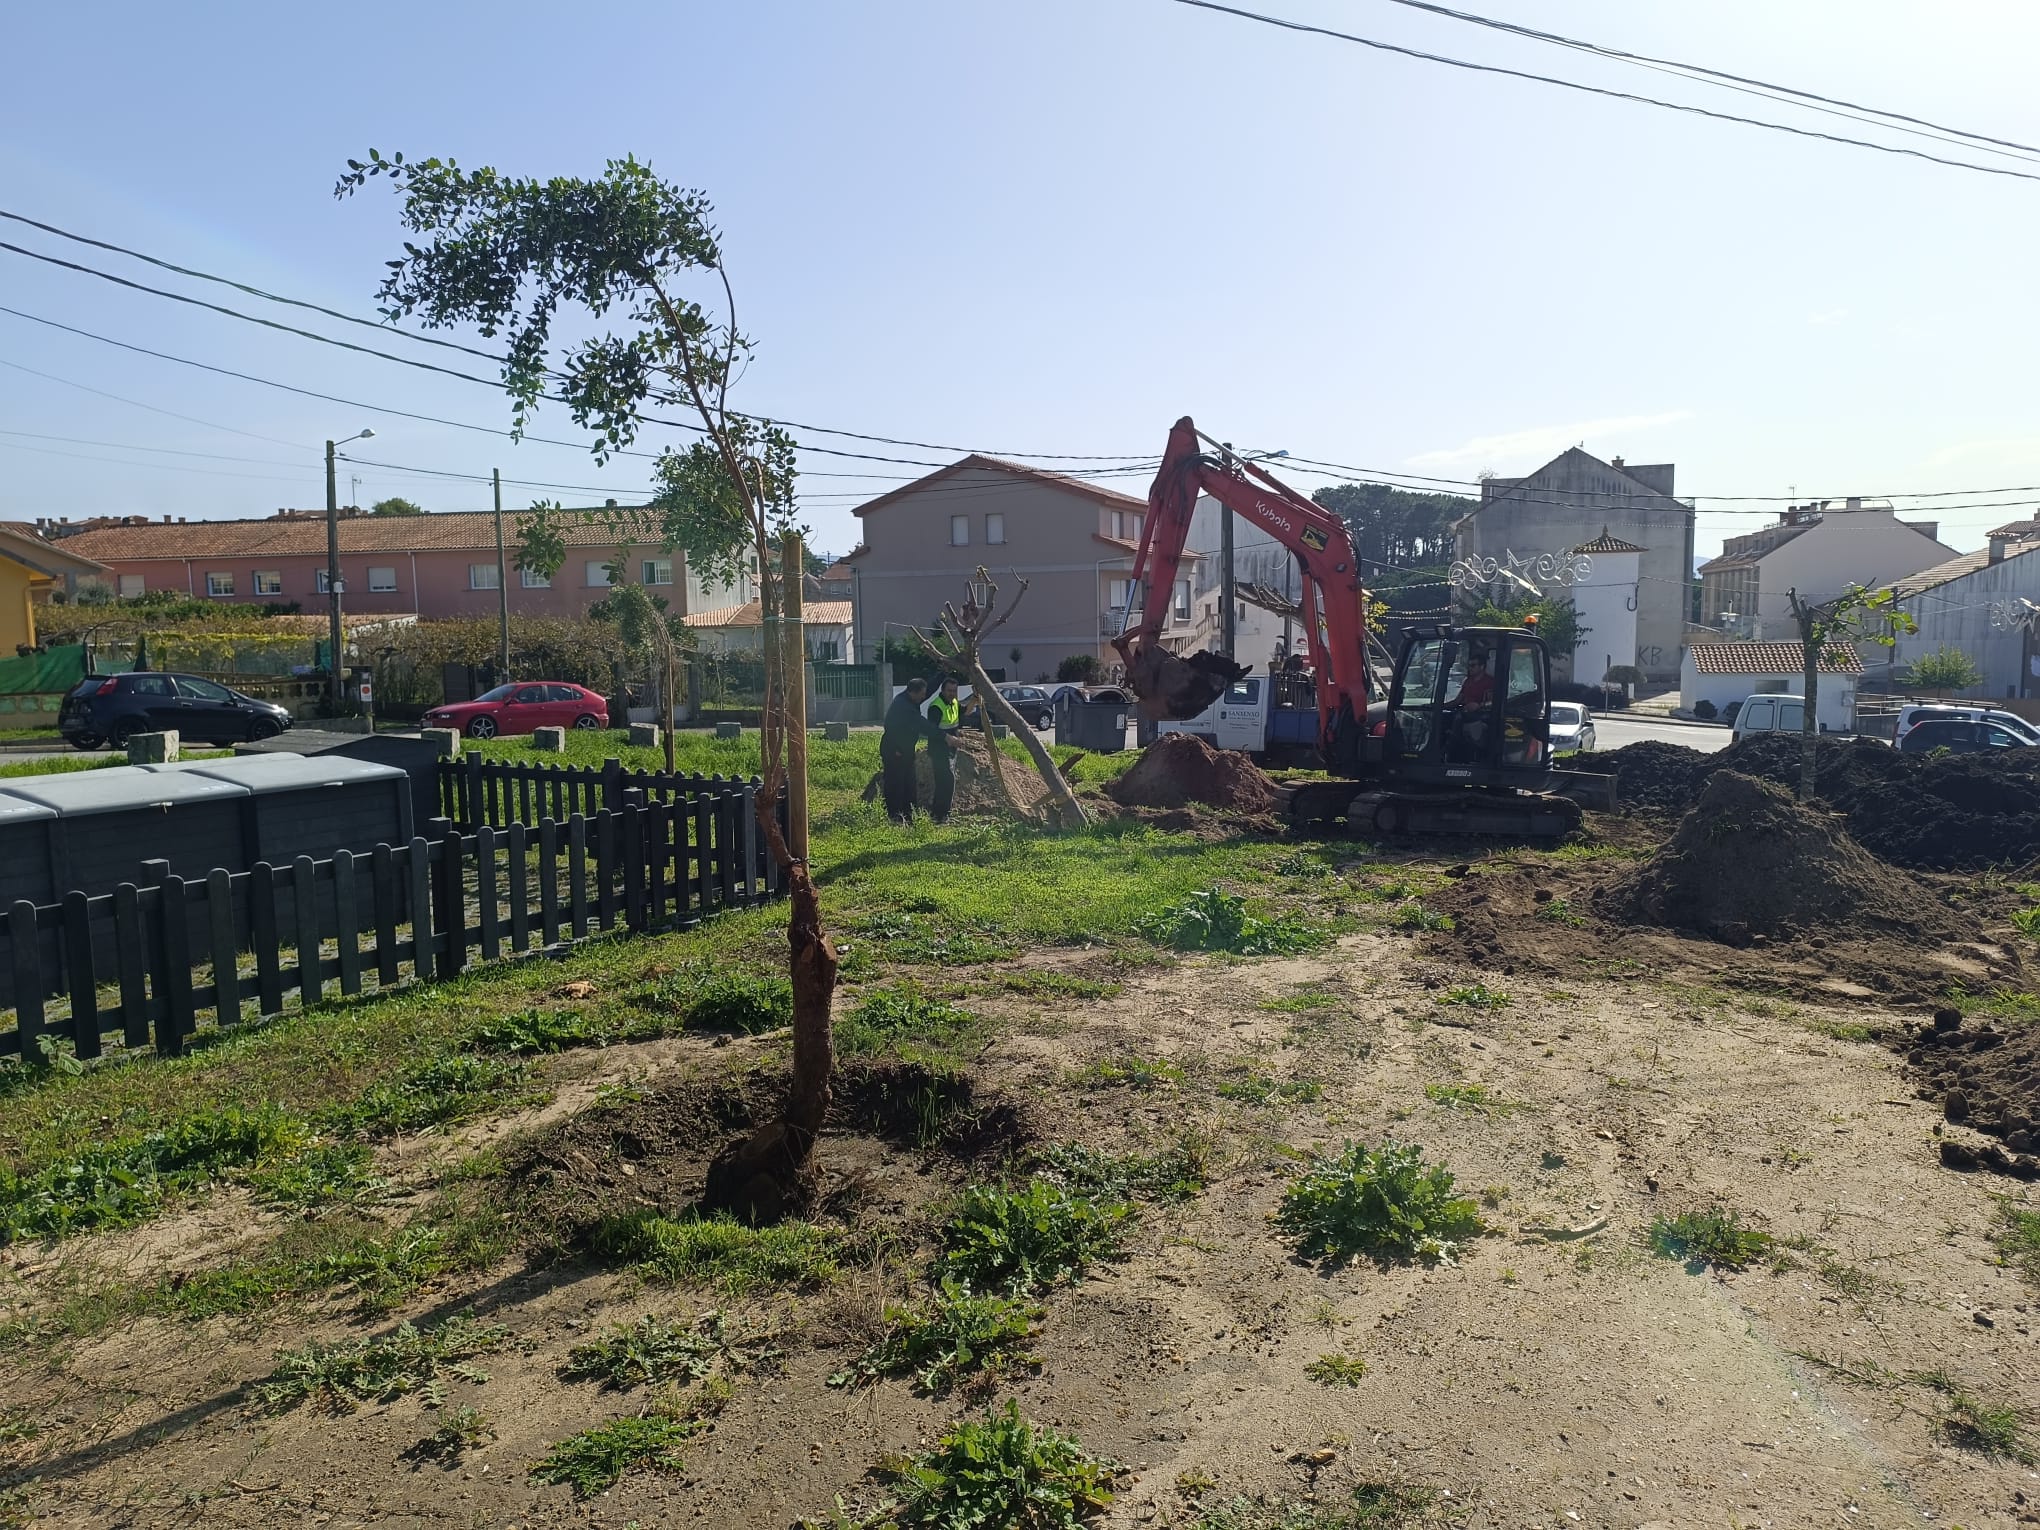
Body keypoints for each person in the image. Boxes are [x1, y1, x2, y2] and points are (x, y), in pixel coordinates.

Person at [880, 677, 930, 824]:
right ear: (913, 693)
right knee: (896, 786)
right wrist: (897, 748)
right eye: (922, 694)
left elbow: (930, 687)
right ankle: (895, 817)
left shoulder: (911, 699)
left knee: (909, 786)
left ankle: (908, 817)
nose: (924, 697)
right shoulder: (902, 705)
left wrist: (941, 673)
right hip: (894, 752)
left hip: (906, 751)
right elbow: (890, 727)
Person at [924, 678, 971, 824]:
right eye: (949, 691)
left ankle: (939, 814)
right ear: (942, 690)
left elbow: (965, 711)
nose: (952, 693)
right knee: (947, 780)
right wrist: (949, 738)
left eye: (954, 691)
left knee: (945, 781)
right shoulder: (936, 707)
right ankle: (942, 815)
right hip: (939, 750)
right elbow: (931, 730)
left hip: (951, 750)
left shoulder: (954, 703)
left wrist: (975, 700)